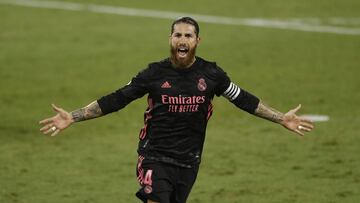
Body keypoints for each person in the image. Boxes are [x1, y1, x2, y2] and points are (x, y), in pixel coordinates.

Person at [39, 17, 314, 203]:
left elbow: (243, 99)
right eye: (178, 35)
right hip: (154, 157)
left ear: (197, 41)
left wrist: (280, 118)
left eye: (189, 36)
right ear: (170, 39)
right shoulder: (154, 74)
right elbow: (117, 99)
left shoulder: (212, 74)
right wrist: (73, 116)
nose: (182, 40)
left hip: (189, 161)